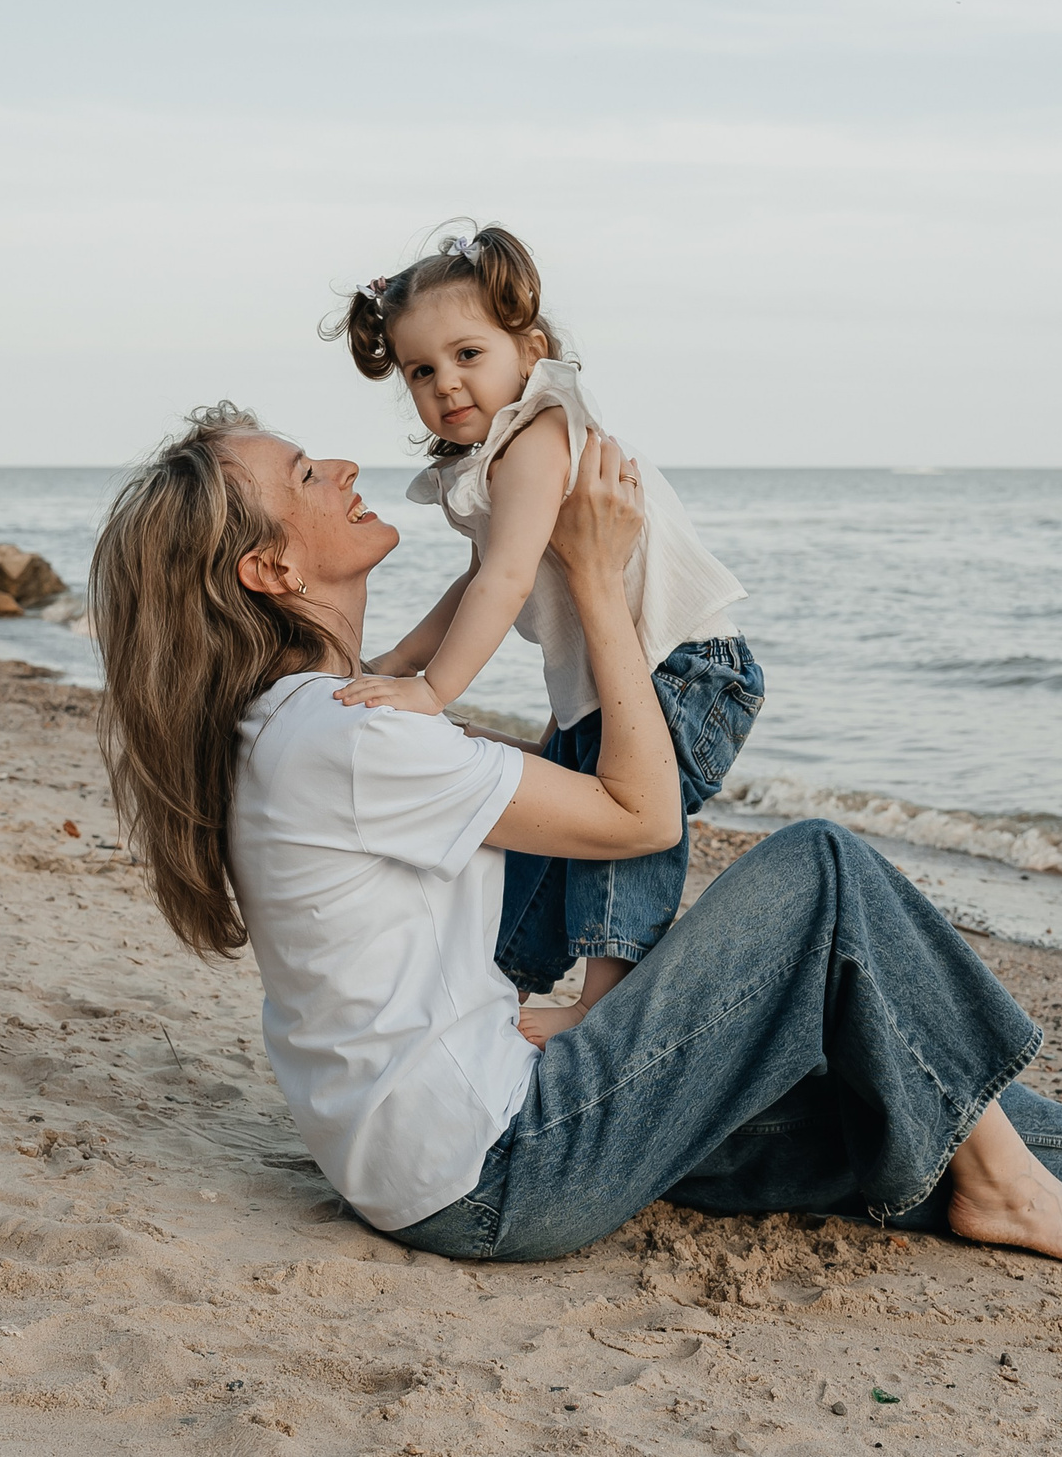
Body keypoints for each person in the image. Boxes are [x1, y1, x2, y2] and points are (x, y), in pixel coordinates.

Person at [89, 403, 1062, 1269]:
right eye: (309, 475)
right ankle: (1009, 1183)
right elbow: (639, 811)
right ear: (265, 567)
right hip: (498, 1163)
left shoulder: (304, 720)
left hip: (442, 1150)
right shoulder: (350, 735)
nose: (346, 469)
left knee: (846, 1079)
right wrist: (594, 576)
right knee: (823, 876)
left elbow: (476, 691)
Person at [321, 222, 759, 1045]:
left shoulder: (538, 436)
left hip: (685, 668)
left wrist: (433, 690)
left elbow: (506, 577)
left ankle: (605, 1003)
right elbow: (478, 578)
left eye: (468, 354)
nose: (446, 383)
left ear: (531, 347)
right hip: (613, 680)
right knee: (560, 832)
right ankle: (503, 978)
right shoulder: (497, 454)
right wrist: (395, 660)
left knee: (620, 830)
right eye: (422, 370)